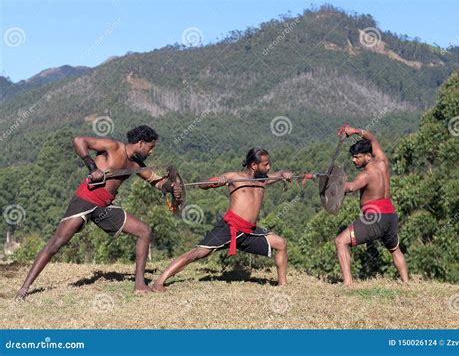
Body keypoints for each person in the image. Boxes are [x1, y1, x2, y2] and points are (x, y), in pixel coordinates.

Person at [15, 125, 181, 300]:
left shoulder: (136, 164)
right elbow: (79, 141)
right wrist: (92, 167)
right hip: (85, 200)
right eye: (150, 146)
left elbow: (157, 182)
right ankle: (24, 289)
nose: (151, 151)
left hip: (105, 207)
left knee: (144, 231)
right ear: (141, 143)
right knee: (56, 243)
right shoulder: (113, 146)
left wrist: (172, 187)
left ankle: (139, 285)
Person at [153, 147, 292, 291]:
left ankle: (283, 285)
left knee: (281, 243)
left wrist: (284, 174)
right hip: (229, 228)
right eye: (266, 164)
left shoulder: (263, 179)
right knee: (197, 253)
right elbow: (203, 185)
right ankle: (159, 282)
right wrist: (217, 181)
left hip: (249, 231)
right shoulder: (234, 177)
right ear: (254, 165)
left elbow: (280, 174)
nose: (269, 167)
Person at [334, 125, 408, 287]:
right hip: (391, 216)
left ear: (368, 156)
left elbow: (351, 187)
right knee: (394, 249)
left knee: (341, 241)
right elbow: (372, 138)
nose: (354, 160)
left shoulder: (366, 174)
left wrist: (334, 183)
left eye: (357, 157)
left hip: (375, 217)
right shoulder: (382, 162)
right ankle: (406, 282)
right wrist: (354, 131)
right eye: (353, 157)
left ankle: (347, 283)